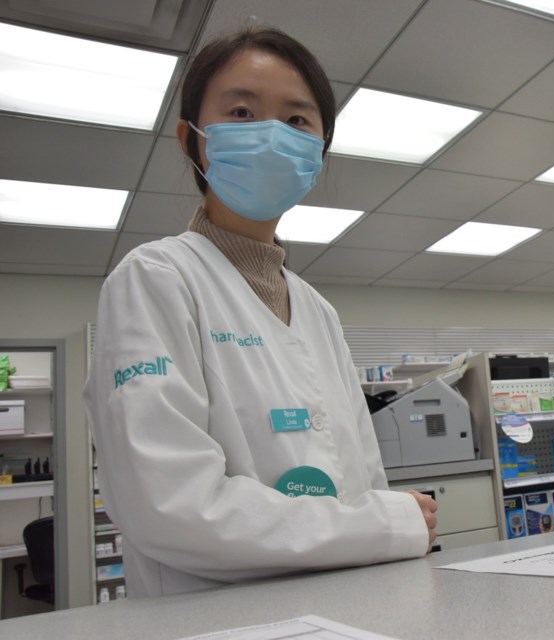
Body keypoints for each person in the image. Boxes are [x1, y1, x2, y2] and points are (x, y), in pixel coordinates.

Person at [84, 26, 437, 598]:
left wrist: (378, 526)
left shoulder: (318, 310)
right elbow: (171, 507)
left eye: (298, 121)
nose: (273, 135)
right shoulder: (154, 279)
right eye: (243, 112)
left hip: (352, 606)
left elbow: (364, 479)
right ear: (192, 139)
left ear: (318, 151)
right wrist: (388, 524)